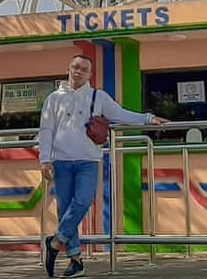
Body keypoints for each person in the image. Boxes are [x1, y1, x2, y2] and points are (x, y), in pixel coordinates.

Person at [38, 53, 167, 277]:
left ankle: (55, 242)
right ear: (69, 68)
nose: (78, 72)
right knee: (66, 210)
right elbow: (46, 129)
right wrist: (44, 159)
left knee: (83, 202)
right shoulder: (54, 98)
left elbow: (121, 114)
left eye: (84, 69)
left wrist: (147, 118)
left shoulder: (98, 97)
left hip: (88, 160)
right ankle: (75, 260)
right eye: (75, 67)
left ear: (90, 73)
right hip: (61, 161)